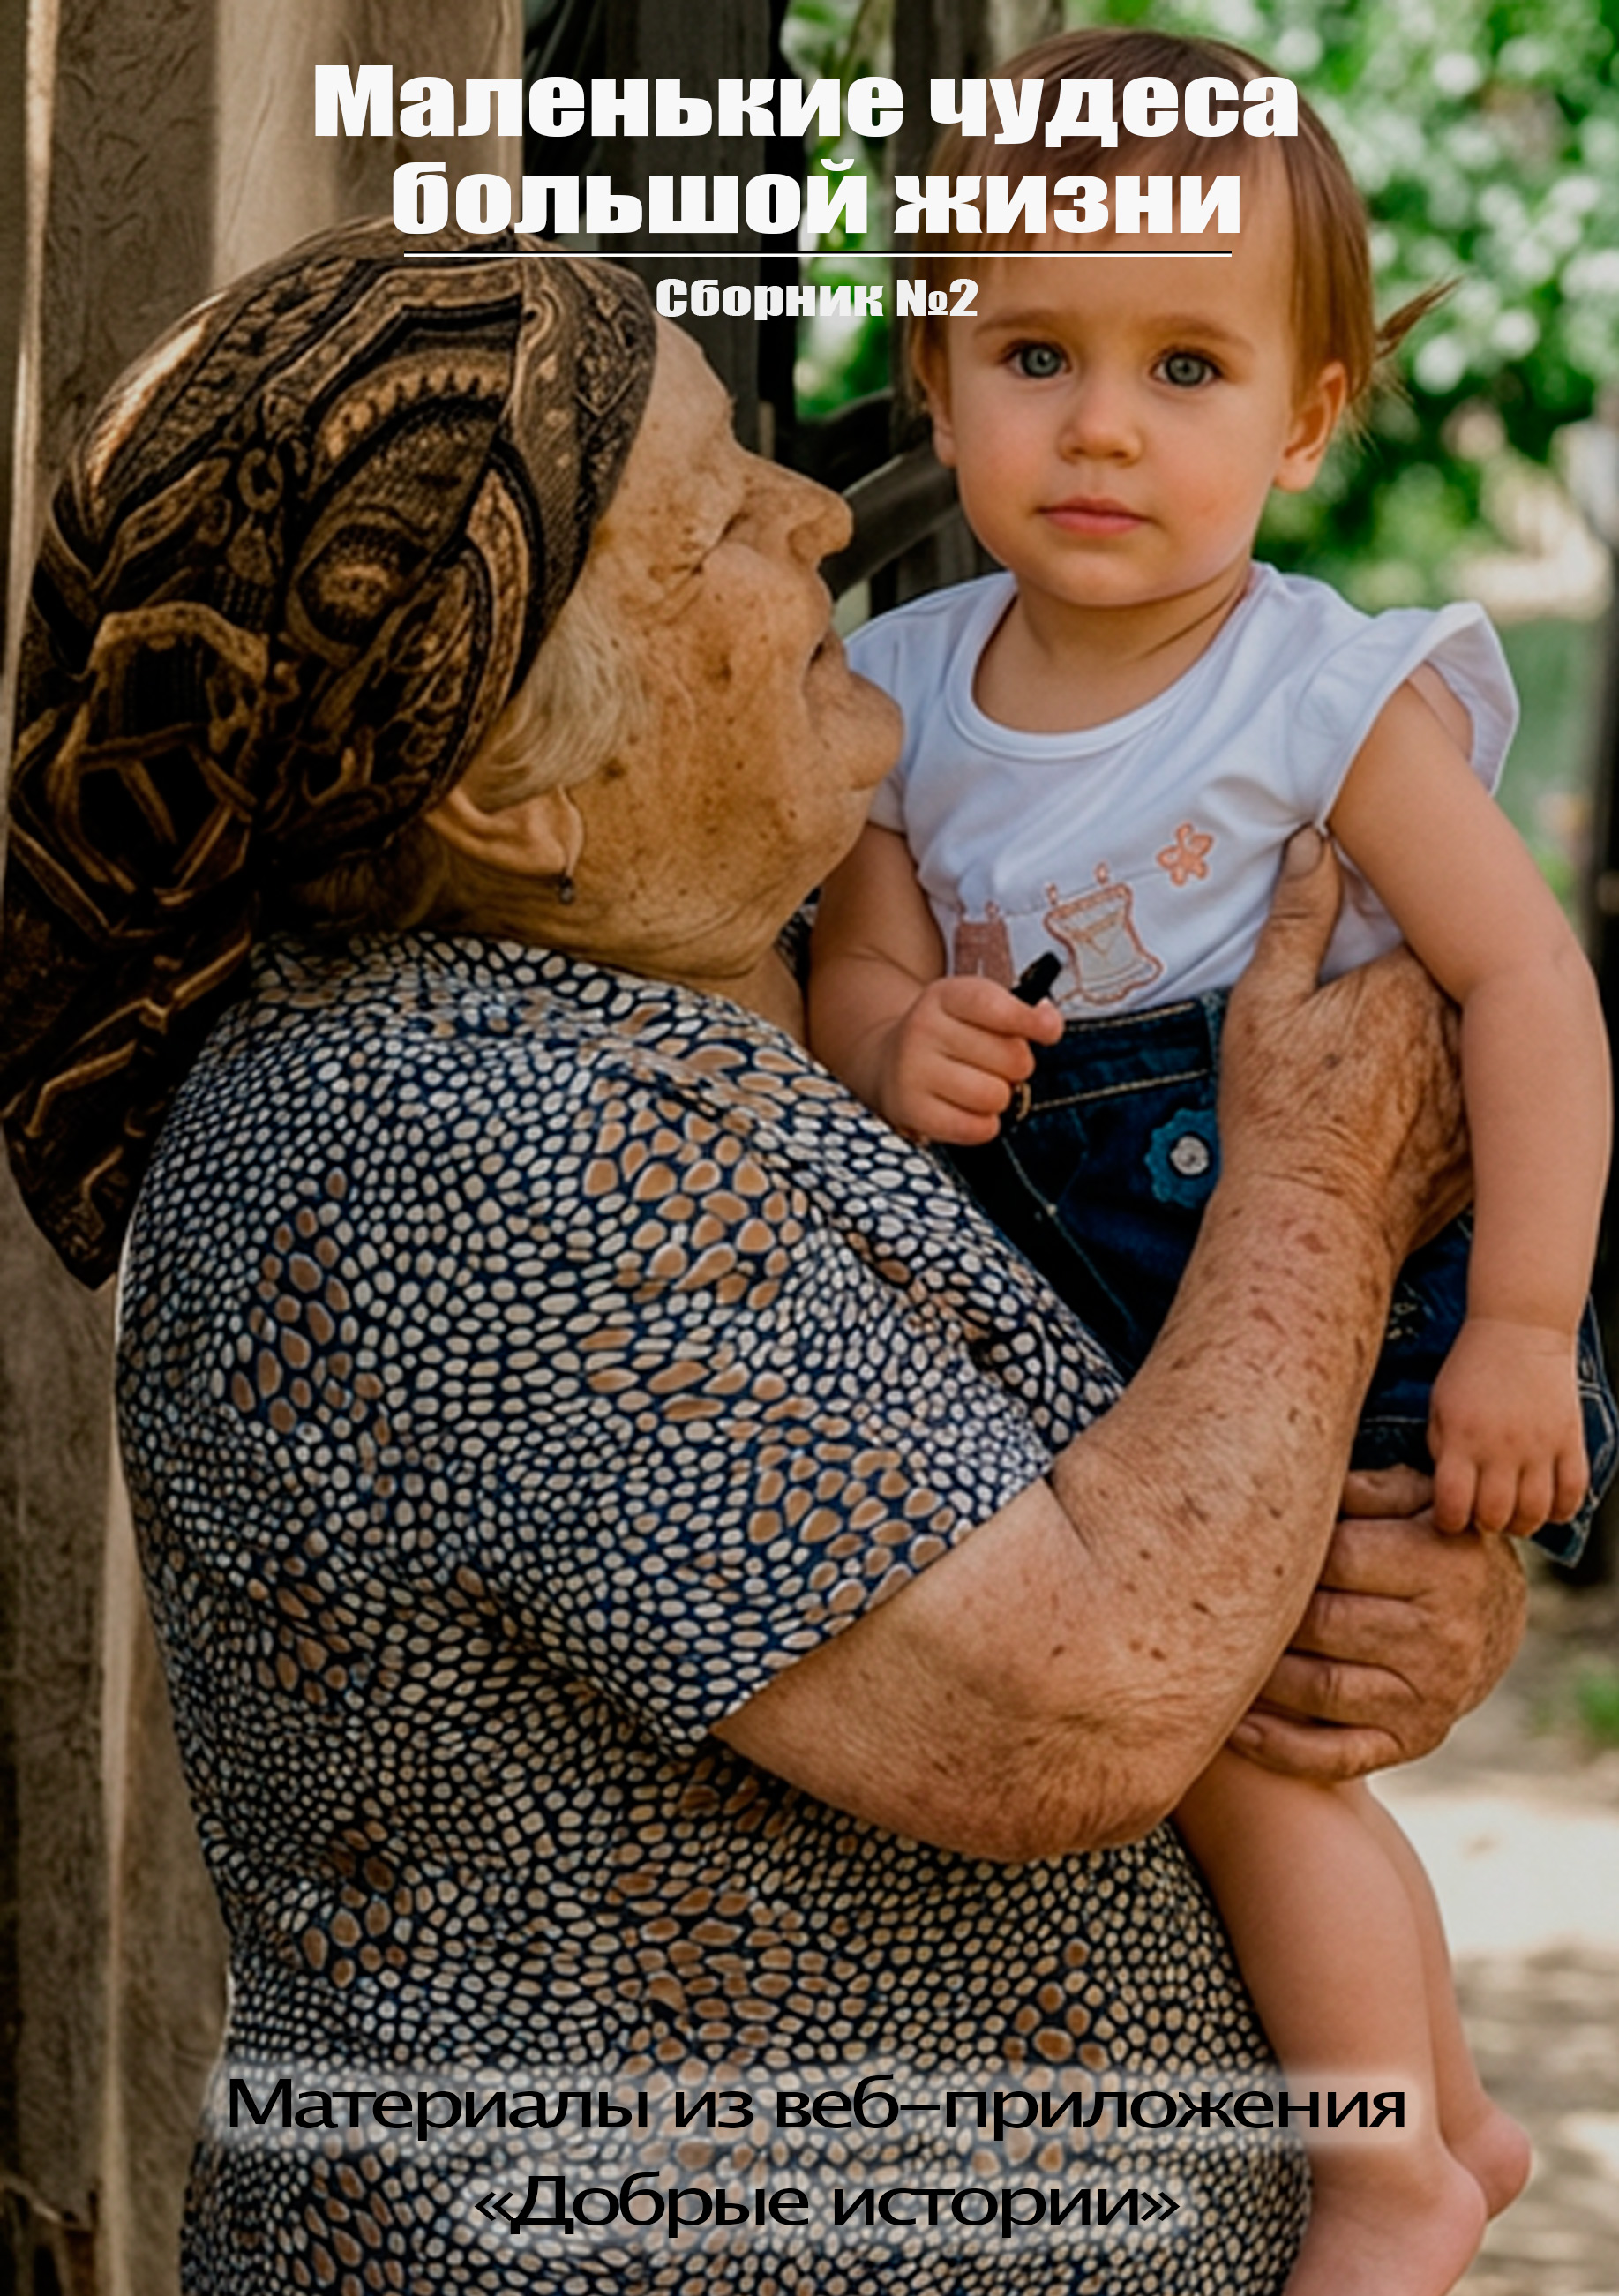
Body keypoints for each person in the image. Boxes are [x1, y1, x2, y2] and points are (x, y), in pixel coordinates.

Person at [0, 221, 1526, 2296]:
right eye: (717, 512)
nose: (818, 512)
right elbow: (1073, 1705)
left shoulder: (768, 995)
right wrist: (1327, 1185)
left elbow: (1159, 1476)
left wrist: (1403, 1557)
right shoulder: (457, 1133)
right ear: (507, 789)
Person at [808, 28, 1611, 2296]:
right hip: (1084, 1303)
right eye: (1033, 355)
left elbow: (1527, 988)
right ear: (937, 376)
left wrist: (1529, 1321)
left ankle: (1391, 2168)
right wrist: (901, 1040)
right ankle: (1448, 2109)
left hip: (1334, 1289)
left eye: (1185, 366)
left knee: (1245, 1745)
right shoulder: (901, 688)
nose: (1100, 426)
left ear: (1307, 418)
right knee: (1220, 1740)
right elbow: (857, 971)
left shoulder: (1322, 692)